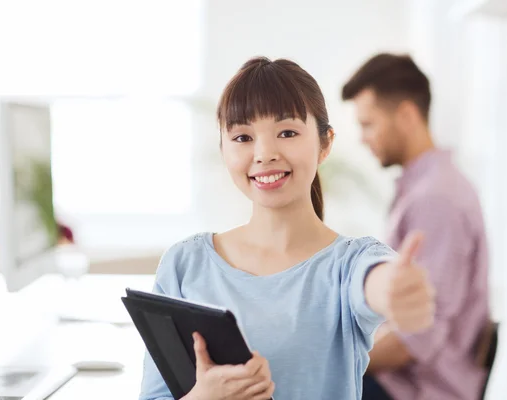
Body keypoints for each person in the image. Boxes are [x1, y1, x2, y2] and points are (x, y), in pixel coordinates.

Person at [139, 56, 436, 400]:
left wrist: (394, 291)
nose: (264, 153)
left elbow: (375, 281)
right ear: (223, 148)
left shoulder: (350, 264)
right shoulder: (184, 264)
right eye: (242, 137)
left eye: (288, 132)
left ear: (325, 143)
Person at [342, 53, 491, 400]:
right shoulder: (427, 188)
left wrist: (333, 361)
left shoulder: (436, 199)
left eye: (368, 124)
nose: (363, 138)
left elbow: (415, 338)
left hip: (416, 390)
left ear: (407, 115)